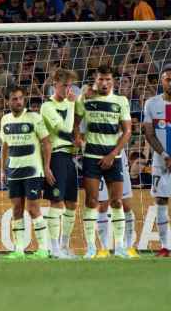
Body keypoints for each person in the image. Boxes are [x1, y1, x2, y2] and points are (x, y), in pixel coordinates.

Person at [74, 66, 132, 259]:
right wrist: (79, 141)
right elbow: (75, 123)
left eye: (107, 79)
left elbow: (127, 131)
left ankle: (120, 247)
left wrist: (113, 154)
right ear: (95, 81)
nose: (104, 83)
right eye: (100, 80)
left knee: (116, 201)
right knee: (92, 202)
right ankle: (91, 247)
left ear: (113, 81)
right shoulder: (87, 100)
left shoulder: (120, 101)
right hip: (91, 157)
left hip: (113, 158)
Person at [0, 86, 54, 259]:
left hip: (32, 171)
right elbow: (5, 146)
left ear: (24, 100)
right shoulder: (5, 120)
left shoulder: (34, 118)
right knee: (16, 209)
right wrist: (2, 169)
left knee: (32, 209)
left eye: (20, 98)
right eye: (14, 99)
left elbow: (46, 143)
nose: (18, 102)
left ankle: (44, 249)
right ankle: (18, 249)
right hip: (14, 172)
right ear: (8, 101)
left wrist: (46, 167)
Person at [39, 69, 78, 258]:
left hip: (70, 158)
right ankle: (53, 248)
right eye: (64, 85)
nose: (67, 89)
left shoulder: (71, 103)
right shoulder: (47, 106)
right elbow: (65, 130)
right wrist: (71, 105)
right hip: (56, 157)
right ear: (55, 84)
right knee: (57, 202)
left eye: (70, 86)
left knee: (71, 203)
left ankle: (64, 246)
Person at [142, 69, 171, 257]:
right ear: (162, 81)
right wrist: (165, 155)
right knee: (161, 200)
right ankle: (165, 247)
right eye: (168, 79)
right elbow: (149, 133)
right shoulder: (152, 103)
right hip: (161, 163)